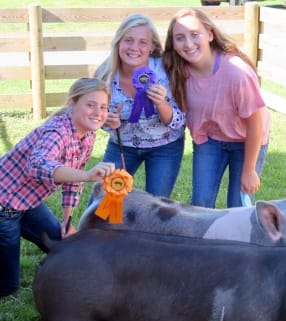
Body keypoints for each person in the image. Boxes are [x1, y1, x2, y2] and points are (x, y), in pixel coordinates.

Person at [0, 77, 115, 299]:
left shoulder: (87, 134)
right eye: (90, 104)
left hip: (28, 204)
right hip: (3, 209)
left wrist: (67, 220)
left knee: (63, 244)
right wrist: (87, 175)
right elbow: (38, 164)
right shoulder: (57, 131)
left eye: (103, 107)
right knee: (8, 284)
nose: (98, 112)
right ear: (72, 103)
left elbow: (73, 180)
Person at [163, 7, 271, 208]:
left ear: (210, 35)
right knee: (200, 205)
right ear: (173, 44)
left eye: (195, 35)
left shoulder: (236, 72)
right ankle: (202, 240)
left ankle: (237, 240)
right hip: (210, 140)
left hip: (246, 139)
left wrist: (249, 170)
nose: (188, 44)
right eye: (180, 38)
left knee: (237, 206)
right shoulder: (177, 71)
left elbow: (256, 124)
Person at [94, 13, 186, 198]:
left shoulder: (166, 70)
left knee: (155, 206)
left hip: (165, 145)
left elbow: (179, 122)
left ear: (152, 46)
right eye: (128, 40)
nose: (134, 48)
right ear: (119, 42)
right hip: (123, 145)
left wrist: (161, 103)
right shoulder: (105, 75)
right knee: (103, 203)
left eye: (143, 42)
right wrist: (107, 121)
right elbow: (95, 116)